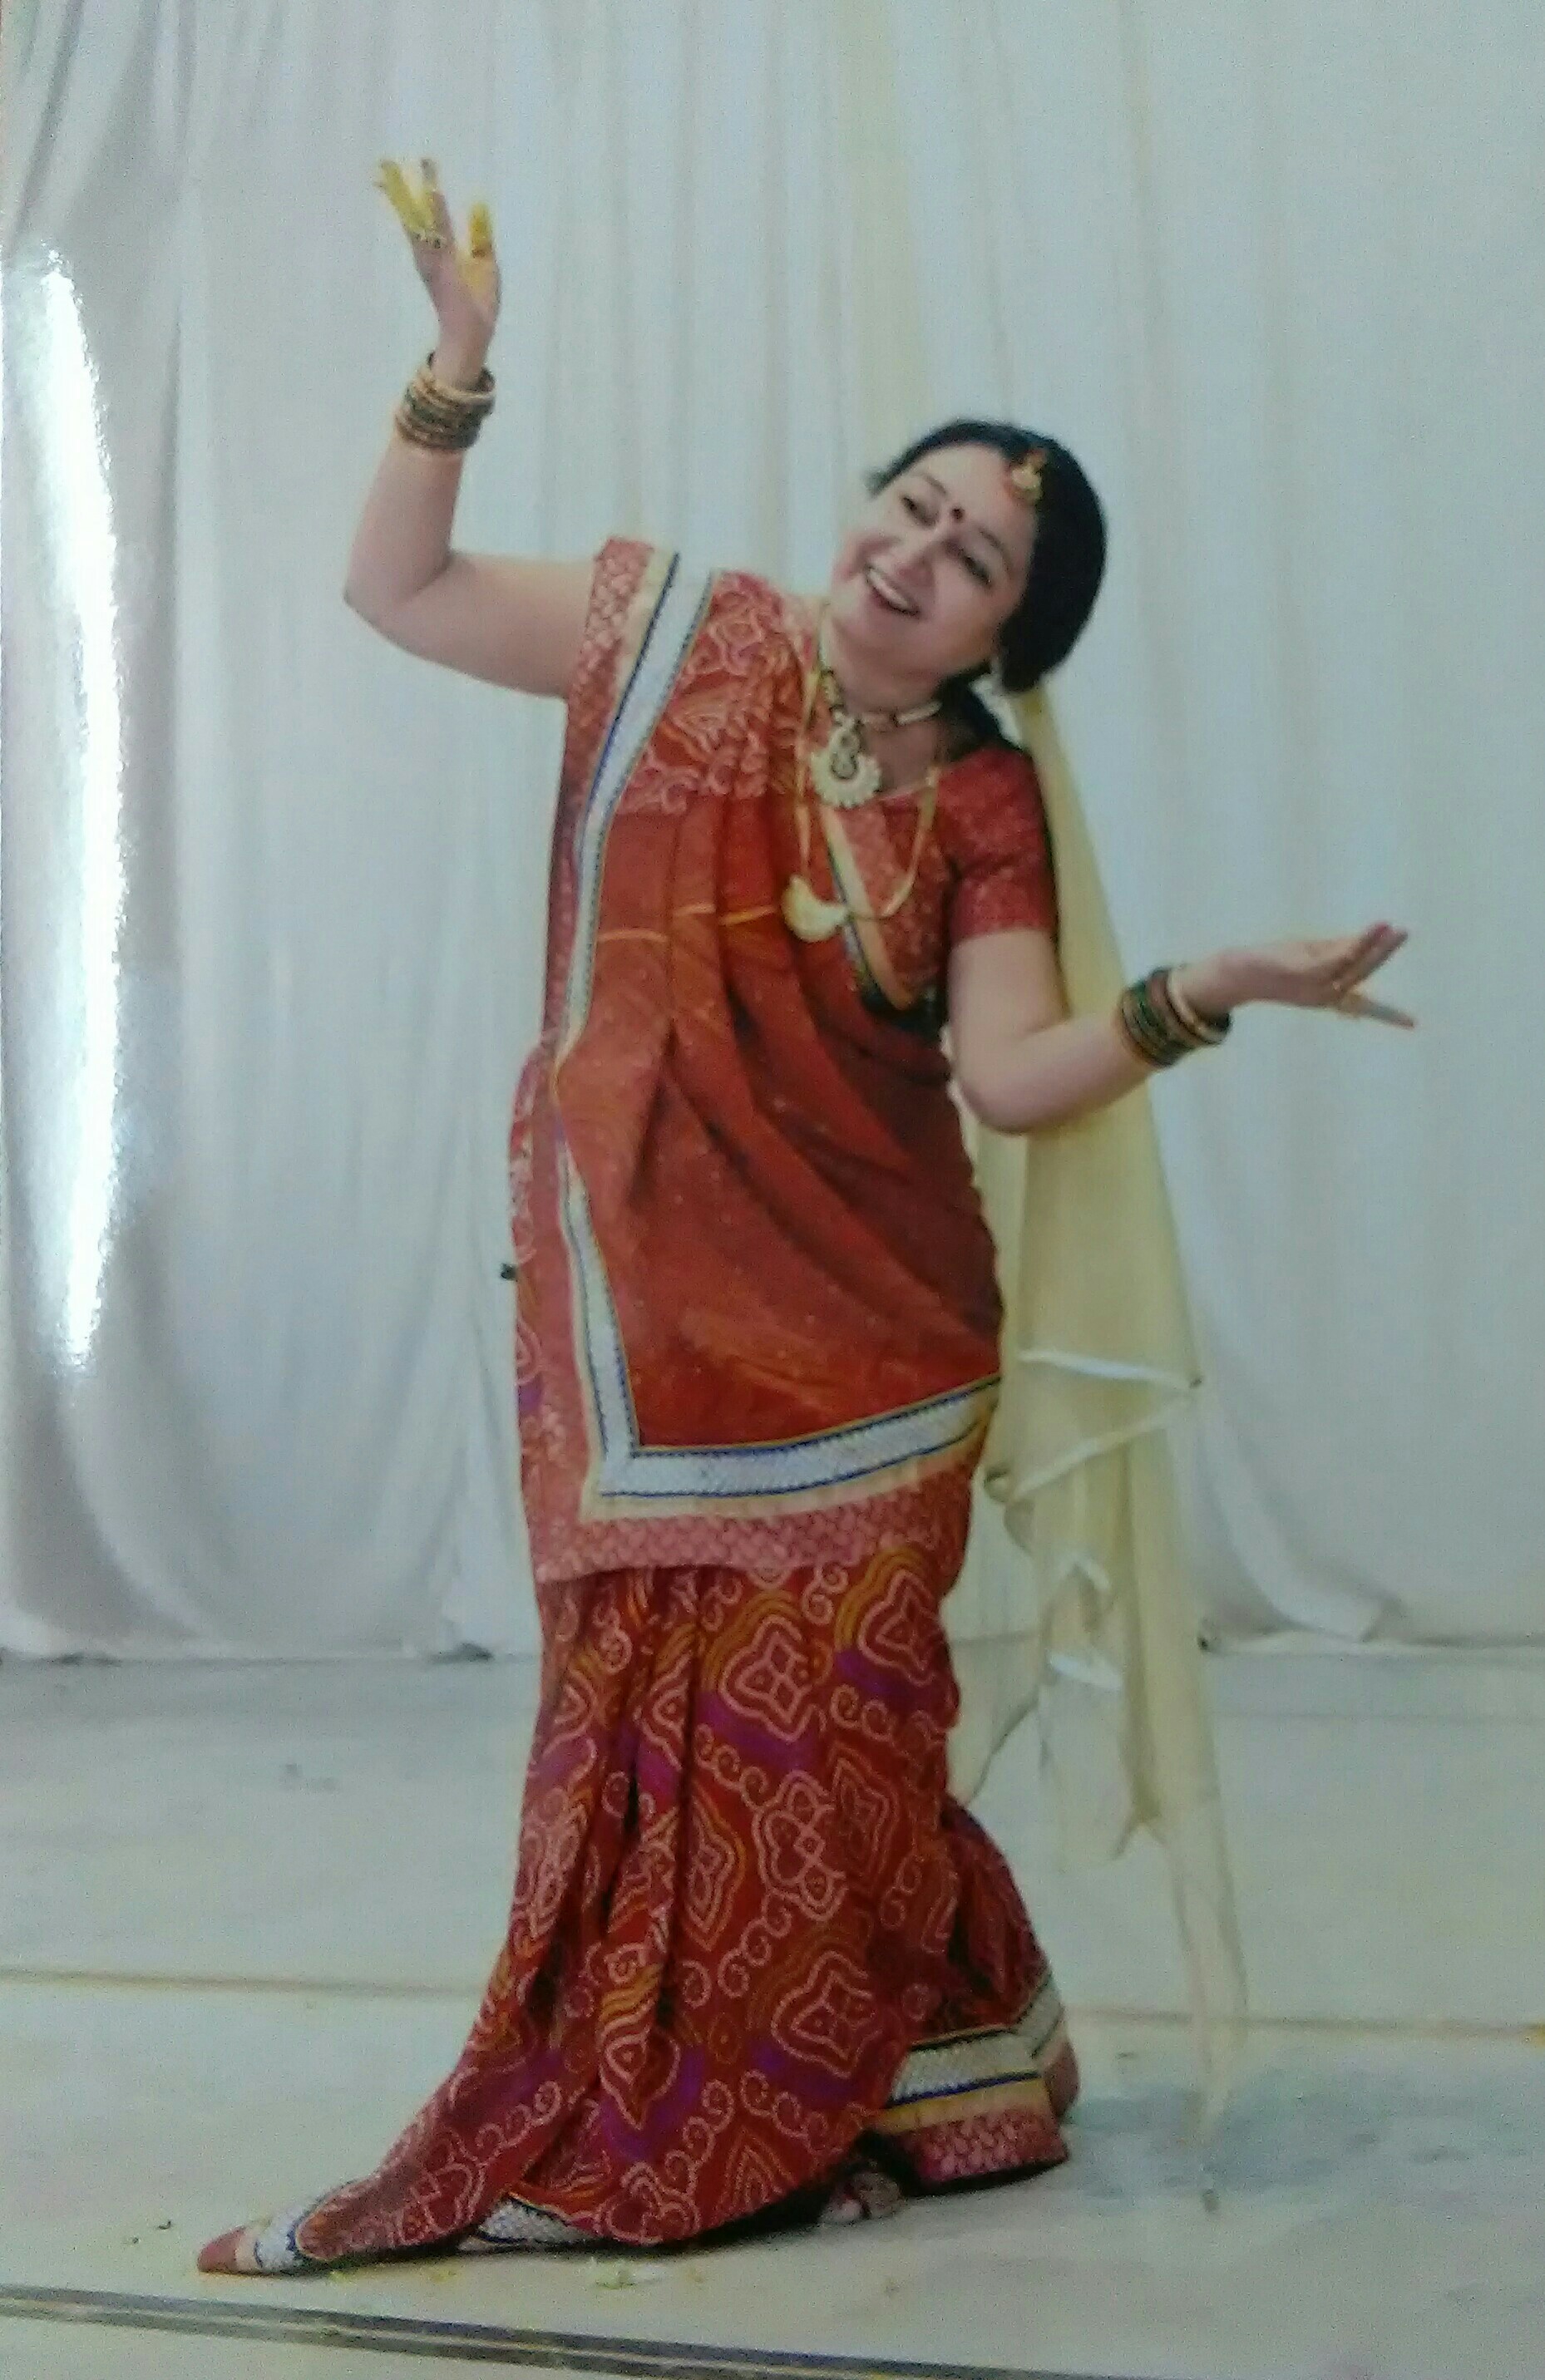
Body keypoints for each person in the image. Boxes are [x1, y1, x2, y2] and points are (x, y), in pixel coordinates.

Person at [200, 163, 1412, 2274]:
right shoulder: (677, 638)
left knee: (835, 1746)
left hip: (878, 1345)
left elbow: (1006, 1074)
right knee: (655, 1753)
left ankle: (819, 2102)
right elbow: (397, 589)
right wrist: (455, 367)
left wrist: (1205, 985)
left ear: (1008, 636)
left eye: (973, 561)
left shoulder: (979, 799)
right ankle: (862, 2075)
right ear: (865, 504)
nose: (915, 558)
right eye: (912, 508)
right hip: (651, 1336)